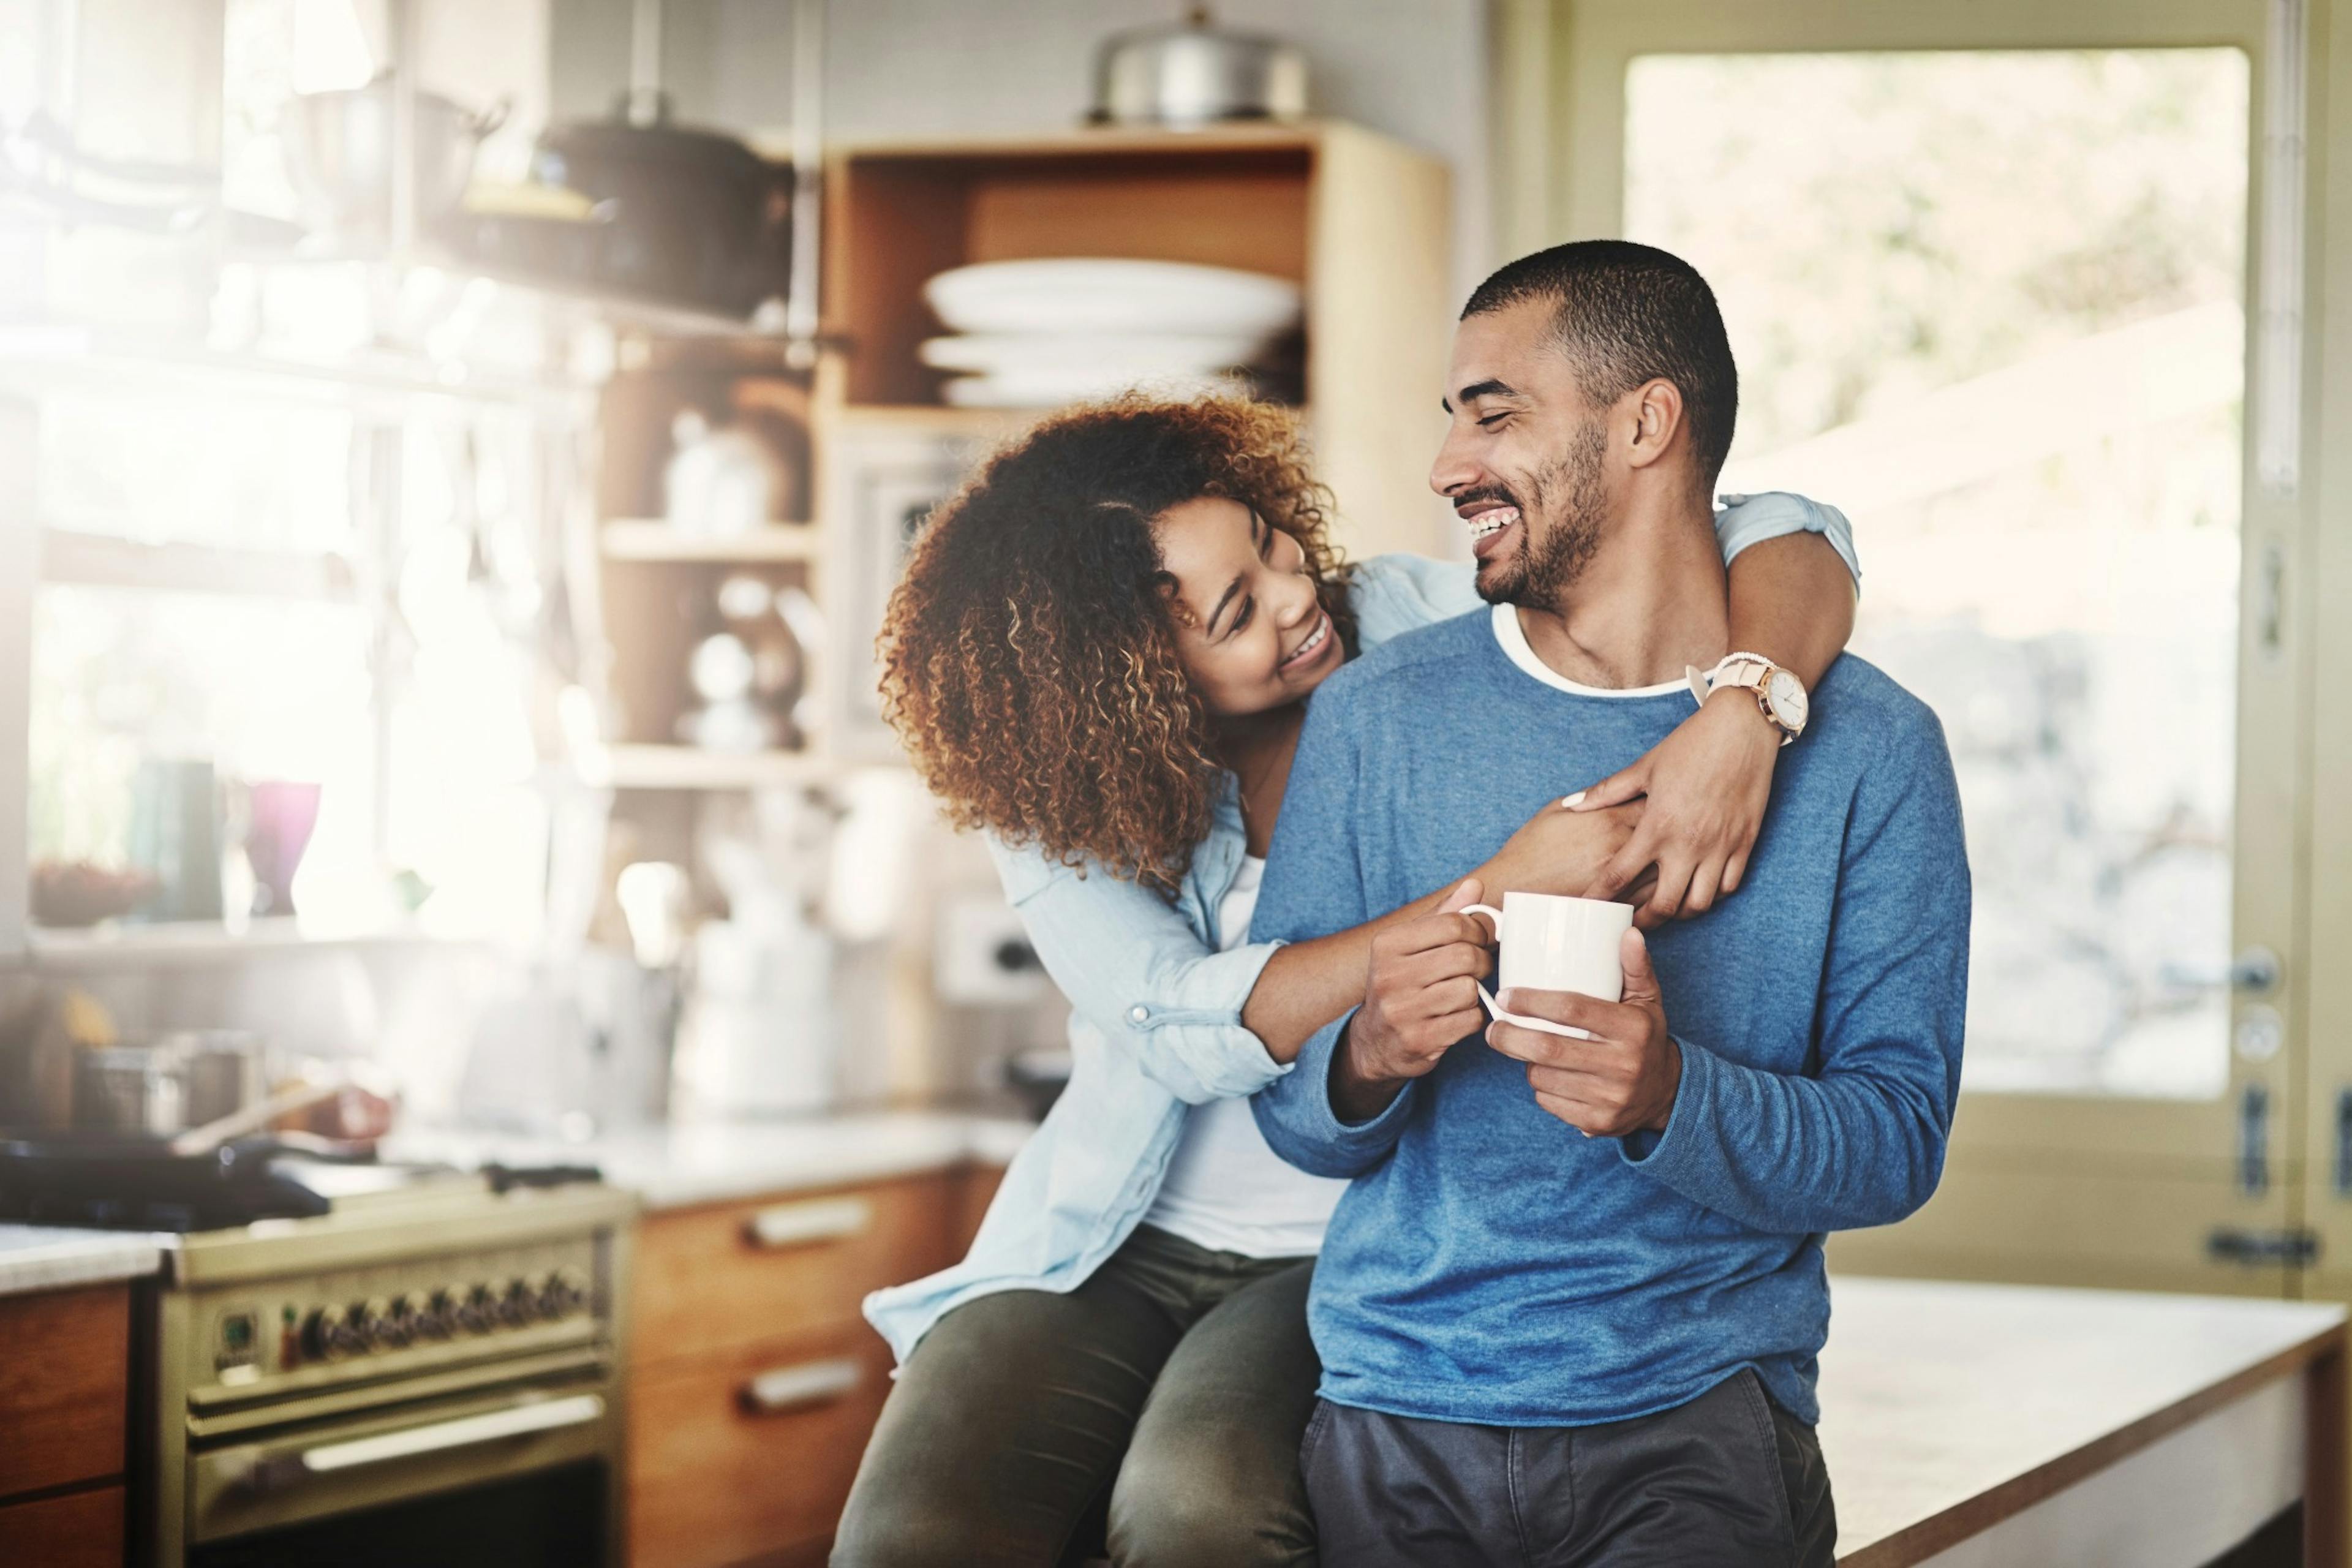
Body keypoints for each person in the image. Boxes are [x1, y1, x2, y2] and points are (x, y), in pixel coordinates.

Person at [832, 389, 1863, 1568]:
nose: (1295, 601)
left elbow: (1791, 529)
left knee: (1197, 1511)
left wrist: (1746, 707)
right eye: (1236, 612)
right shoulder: (1056, 793)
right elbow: (1178, 1020)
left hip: (1351, 1236)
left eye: (1272, 547)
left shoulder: (1412, 619)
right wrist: (1493, 885)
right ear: (1129, 689)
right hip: (1109, 1235)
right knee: (910, 1535)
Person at [1248, 239, 1971, 1567]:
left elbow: (1895, 1141)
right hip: (1395, 1420)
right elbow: (1291, 1111)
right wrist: (1369, 1051)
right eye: (1452, 417)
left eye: (1495, 412)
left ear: (1647, 421)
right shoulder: (1374, 717)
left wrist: (1667, 1096)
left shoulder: (1872, 749)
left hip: (1698, 1431)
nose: (1447, 466)